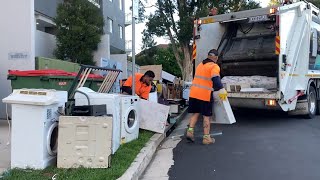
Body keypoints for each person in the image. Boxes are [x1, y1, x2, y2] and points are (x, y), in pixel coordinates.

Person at [186, 49, 227, 145]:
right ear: (216, 58)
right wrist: (221, 89)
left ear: (208, 56)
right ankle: (206, 138)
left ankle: (190, 131)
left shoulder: (200, 64)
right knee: (206, 117)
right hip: (204, 95)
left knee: (195, 113)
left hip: (194, 93)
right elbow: (216, 79)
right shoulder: (214, 66)